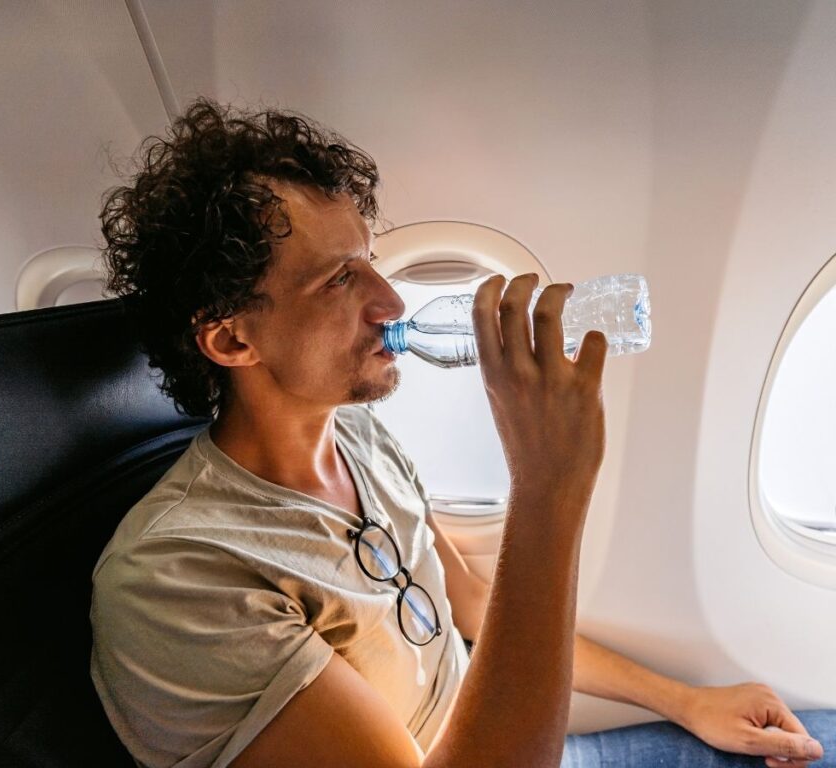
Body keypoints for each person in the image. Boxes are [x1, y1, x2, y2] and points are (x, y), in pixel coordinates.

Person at [89, 99, 832, 768]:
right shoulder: (178, 576)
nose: (389, 299)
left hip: (527, 743)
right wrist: (548, 490)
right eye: (338, 280)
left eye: (371, 262)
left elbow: (474, 610)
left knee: (819, 733)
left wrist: (686, 700)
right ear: (231, 342)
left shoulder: (361, 439)